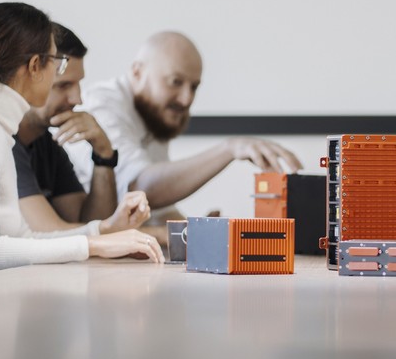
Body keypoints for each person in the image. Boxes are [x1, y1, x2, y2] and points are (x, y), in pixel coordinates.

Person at [0, 3, 163, 274]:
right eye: (58, 63)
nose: (77, 96)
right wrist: (93, 245)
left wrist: (101, 232)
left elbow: (23, 239)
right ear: (34, 66)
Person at [68, 32, 304, 230]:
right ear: (137, 72)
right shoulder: (103, 105)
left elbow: (151, 208)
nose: (186, 98)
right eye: (175, 82)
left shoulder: (153, 113)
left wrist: (194, 228)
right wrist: (229, 149)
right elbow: (140, 187)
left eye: (194, 86)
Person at [14, 23, 152, 234]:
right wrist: (156, 234)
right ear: (29, 74)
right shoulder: (2, 143)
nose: (77, 99)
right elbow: (51, 233)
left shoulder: (47, 145)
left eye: (78, 84)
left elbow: (88, 221)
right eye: (63, 85)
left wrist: (103, 154)